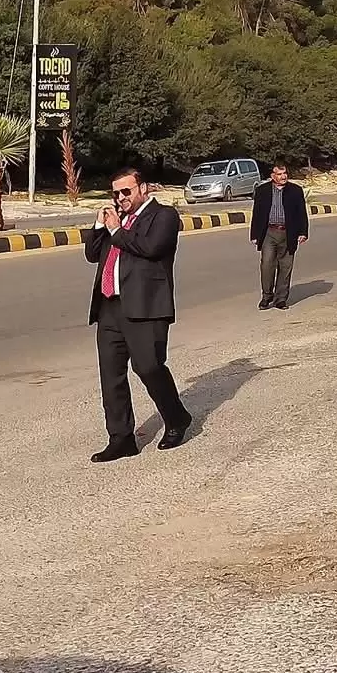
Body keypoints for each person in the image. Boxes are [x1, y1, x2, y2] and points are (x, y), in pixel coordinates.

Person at [84, 167, 193, 463]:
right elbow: (92, 254)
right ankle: (121, 438)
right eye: (116, 193)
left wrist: (116, 230)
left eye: (126, 191)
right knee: (111, 375)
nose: (121, 198)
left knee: (149, 367)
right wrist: (99, 225)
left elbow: (150, 248)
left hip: (146, 307)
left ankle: (176, 417)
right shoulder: (115, 222)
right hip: (110, 307)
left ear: (143, 188)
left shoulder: (163, 216)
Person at [249, 163, 309, 311]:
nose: (283, 177)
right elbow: (256, 213)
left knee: (286, 266)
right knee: (267, 264)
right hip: (269, 232)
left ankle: (281, 299)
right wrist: (254, 234)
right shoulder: (262, 191)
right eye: (280, 174)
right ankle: (266, 296)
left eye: (285, 173)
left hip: (289, 233)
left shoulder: (295, 191)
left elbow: (301, 213)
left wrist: (303, 232)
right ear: (272, 176)